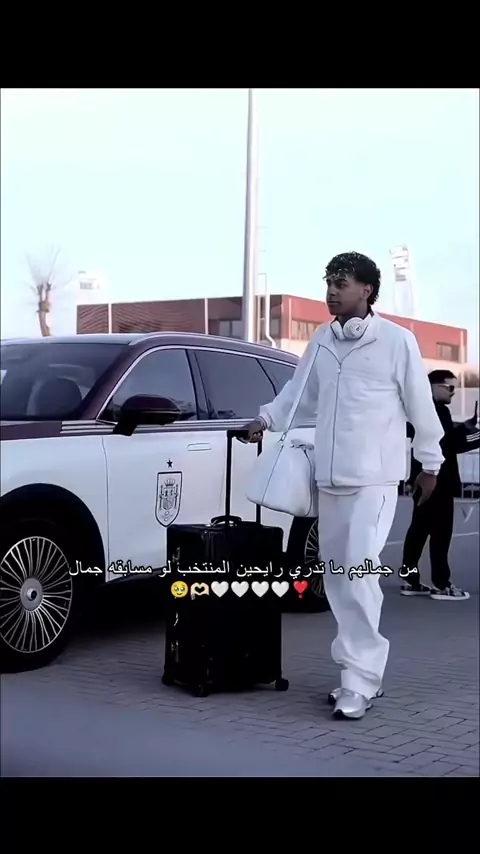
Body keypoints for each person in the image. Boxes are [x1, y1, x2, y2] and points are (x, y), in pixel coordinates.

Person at [244, 251, 445, 719]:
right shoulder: (321, 340)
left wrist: (430, 464)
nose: (332, 292)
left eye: (342, 283)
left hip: (374, 480)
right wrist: (265, 420)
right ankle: (358, 673)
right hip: (329, 478)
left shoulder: (396, 341)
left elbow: (421, 406)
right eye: (329, 283)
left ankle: (360, 680)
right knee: (338, 579)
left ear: (367, 291)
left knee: (357, 576)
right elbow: (299, 395)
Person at [400, 370, 479, 600]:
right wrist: (476, 435)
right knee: (441, 534)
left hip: (422, 479)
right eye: (450, 387)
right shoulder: (438, 411)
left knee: (418, 531)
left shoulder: (422, 410)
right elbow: (449, 443)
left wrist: (464, 427)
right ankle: (442, 584)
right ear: (434, 386)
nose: (453, 392)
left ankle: (410, 580)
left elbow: (445, 435)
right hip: (438, 481)